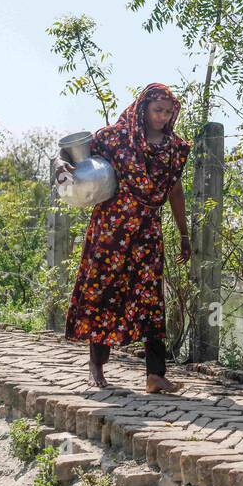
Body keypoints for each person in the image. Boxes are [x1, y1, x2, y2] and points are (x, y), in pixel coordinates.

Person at [61, 83, 191, 393]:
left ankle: (155, 375)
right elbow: (68, 150)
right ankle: (96, 365)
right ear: (143, 108)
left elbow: (175, 190)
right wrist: (59, 165)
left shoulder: (174, 147)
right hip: (111, 228)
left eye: (168, 112)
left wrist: (184, 233)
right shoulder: (113, 137)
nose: (163, 117)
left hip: (146, 230)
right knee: (103, 290)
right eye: (157, 110)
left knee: (150, 296)